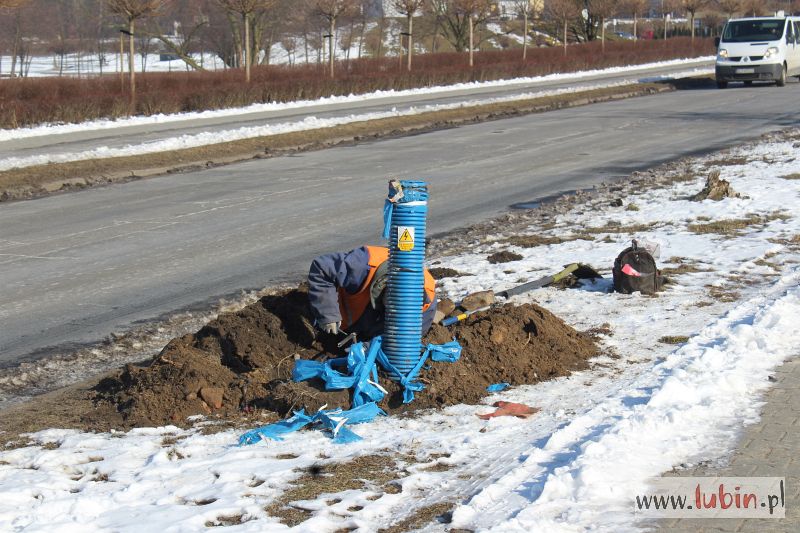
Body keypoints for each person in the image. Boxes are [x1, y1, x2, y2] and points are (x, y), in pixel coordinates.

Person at [308, 245, 437, 340]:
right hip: (339, 322)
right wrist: (328, 314)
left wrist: (368, 349)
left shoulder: (426, 305)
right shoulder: (362, 266)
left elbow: (405, 341)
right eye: (392, 308)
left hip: (370, 329)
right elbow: (322, 268)